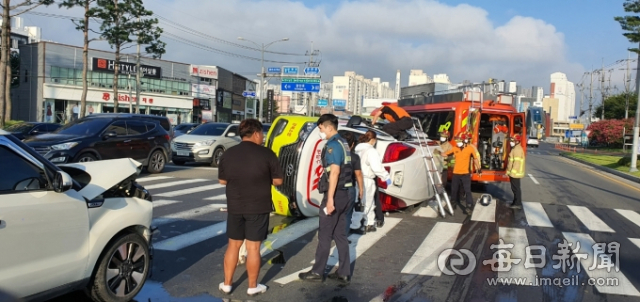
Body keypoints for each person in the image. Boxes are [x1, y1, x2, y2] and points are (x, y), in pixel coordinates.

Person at [217, 119, 284, 296]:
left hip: (235, 206)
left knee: (233, 246)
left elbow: (222, 180)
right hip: (258, 206)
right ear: (256, 133)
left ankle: (227, 284)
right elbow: (278, 181)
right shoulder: (267, 154)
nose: (262, 137)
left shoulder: (228, 154)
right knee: (253, 248)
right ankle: (253, 286)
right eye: (262, 133)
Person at [299, 114, 352, 284]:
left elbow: (335, 172)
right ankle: (343, 272)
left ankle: (317, 272)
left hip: (336, 195)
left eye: (321, 128)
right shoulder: (343, 143)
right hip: (346, 194)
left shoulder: (332, 146)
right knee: (340, 235)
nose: (320, 132)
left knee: (324, 234)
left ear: (329, 127)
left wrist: (330, 200)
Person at [351, 130, 391, 233]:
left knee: (362, 201)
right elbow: (376, 167)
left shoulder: (357, 149)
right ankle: (356, 225)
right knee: (366, 203)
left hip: (357, 178)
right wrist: (386, 177)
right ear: (373, 140)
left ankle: (369, 223)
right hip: (367, 179)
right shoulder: (371, 151)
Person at [442, 132, 481, 215]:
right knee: (454, 190)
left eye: (459, 141)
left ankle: (469, 206)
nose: (458, 143)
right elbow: (445, 154)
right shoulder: (455, 148)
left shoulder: (470, 148)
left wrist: (479, 169)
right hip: (456, 173)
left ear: (463, 141)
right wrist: (437, 152)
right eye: (457, 141)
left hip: (465, 174)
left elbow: (475, 159)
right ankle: (453, 204)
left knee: (467, 191)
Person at [341, 132, 364, 238]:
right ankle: (343, 236)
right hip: (349, 188)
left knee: (334, 213)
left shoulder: (336, 154)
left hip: (335, 187)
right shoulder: (354, 157)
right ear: (353, 144)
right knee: (347, 213)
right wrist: (361, 189)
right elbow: (358, 174)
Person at [507, 134, 525, 210]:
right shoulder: (515, 148)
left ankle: (517, 203)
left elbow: (516, 163)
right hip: (514, 173)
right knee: (515, 188)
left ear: (517, 141)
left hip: (515, 174)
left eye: (512, 140)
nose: (511, 142)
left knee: (516, 188)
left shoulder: (517, 150)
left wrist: (512, 173)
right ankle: (515, 202)